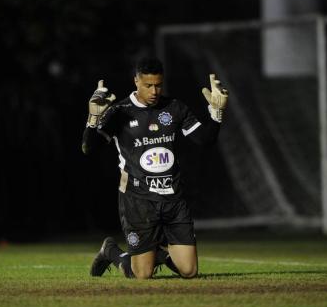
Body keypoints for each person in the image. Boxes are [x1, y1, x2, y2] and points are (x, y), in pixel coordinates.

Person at [82, 57, 228, 279]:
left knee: (189, 271)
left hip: (173, 199)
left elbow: (204, 140)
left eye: (158, 85)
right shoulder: (120, 111)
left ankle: (152, 252)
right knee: (143, 275)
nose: (154, 91)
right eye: (148, 85)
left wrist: (216, 113)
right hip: (138, 200)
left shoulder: (175, 107)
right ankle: (111, 251)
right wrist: (93, 118)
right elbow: (88, 148)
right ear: (136, 81)